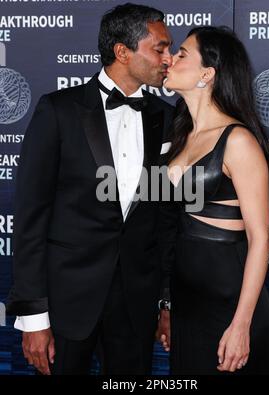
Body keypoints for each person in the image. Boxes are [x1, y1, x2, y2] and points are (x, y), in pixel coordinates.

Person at [6, 3, 174, 375]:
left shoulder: (166, 117)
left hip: (135, 302)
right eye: (159, 48)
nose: (168, 58)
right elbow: (31, 220)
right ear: (122, 52)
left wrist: (166, 301)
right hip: (68, 303)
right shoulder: (59, 111)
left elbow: (164, 218)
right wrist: (34, 316)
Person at [160, 26, 269, 374]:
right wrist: (166, 302)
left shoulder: (238, 141)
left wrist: (241, 325)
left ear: (206, 74)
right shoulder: (179, 135)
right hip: (186, 303)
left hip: (230, 302)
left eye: (182, 54)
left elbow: (260, 240)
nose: (170, 59)